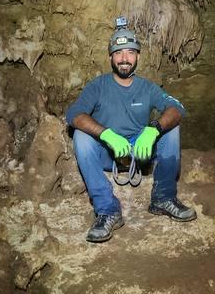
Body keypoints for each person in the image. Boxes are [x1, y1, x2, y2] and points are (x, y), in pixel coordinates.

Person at [66, 17, 197, 243]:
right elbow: (74, 114)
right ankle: (107, 210)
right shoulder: (98, 86)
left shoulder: (147, 87)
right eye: (118, 53)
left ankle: (163, 198)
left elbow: (177, 109)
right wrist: (106, 134)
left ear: (138, 56)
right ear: (110, 58)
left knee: (171, 128)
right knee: (80, 136)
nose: (124, 59)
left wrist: (153, 129)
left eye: (130, 52)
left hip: (140, 151)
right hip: (109, 152)